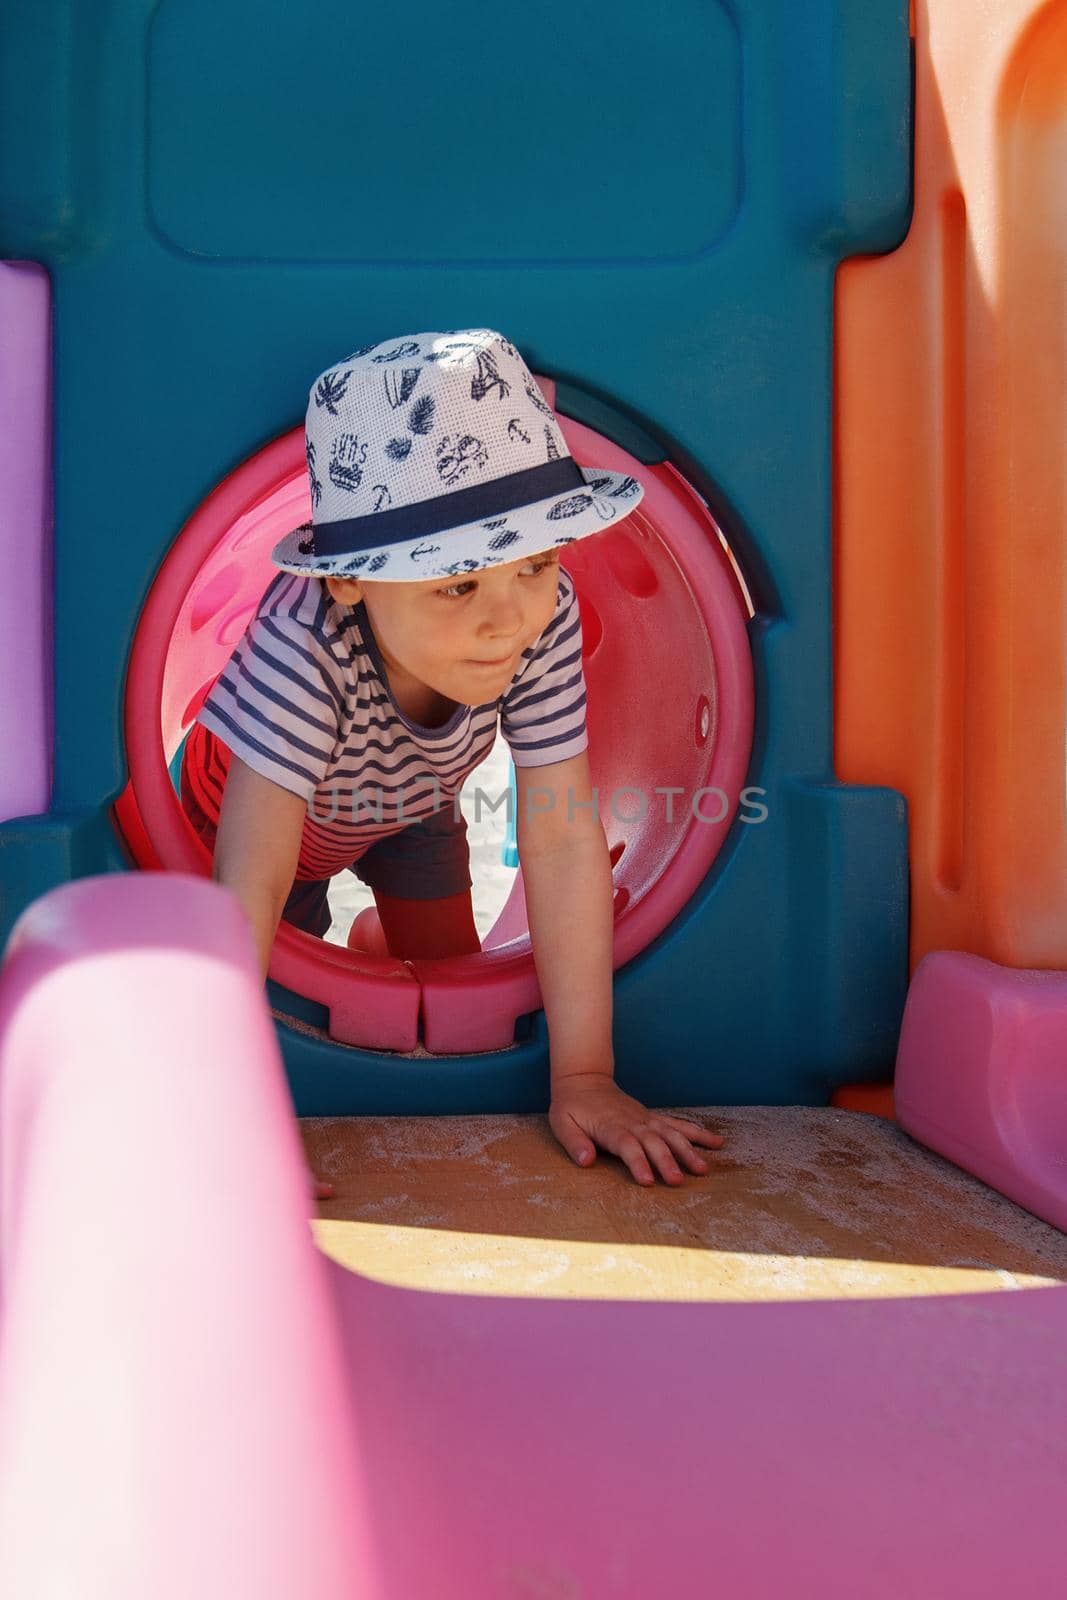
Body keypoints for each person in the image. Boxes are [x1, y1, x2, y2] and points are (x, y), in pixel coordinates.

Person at [180, 328, 724, 1187]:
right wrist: (216, 1113)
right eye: (457, 582)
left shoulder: (537, 616)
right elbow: (252, 871)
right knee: (281, 968)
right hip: (243, 820)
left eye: (535, 563)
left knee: (448, 968)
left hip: (408, 801)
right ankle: (335, 939)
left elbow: (561, 836)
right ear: (349, 580)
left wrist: (585, 1077)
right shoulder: (303, 644)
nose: (505, 618)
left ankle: (377, 934)